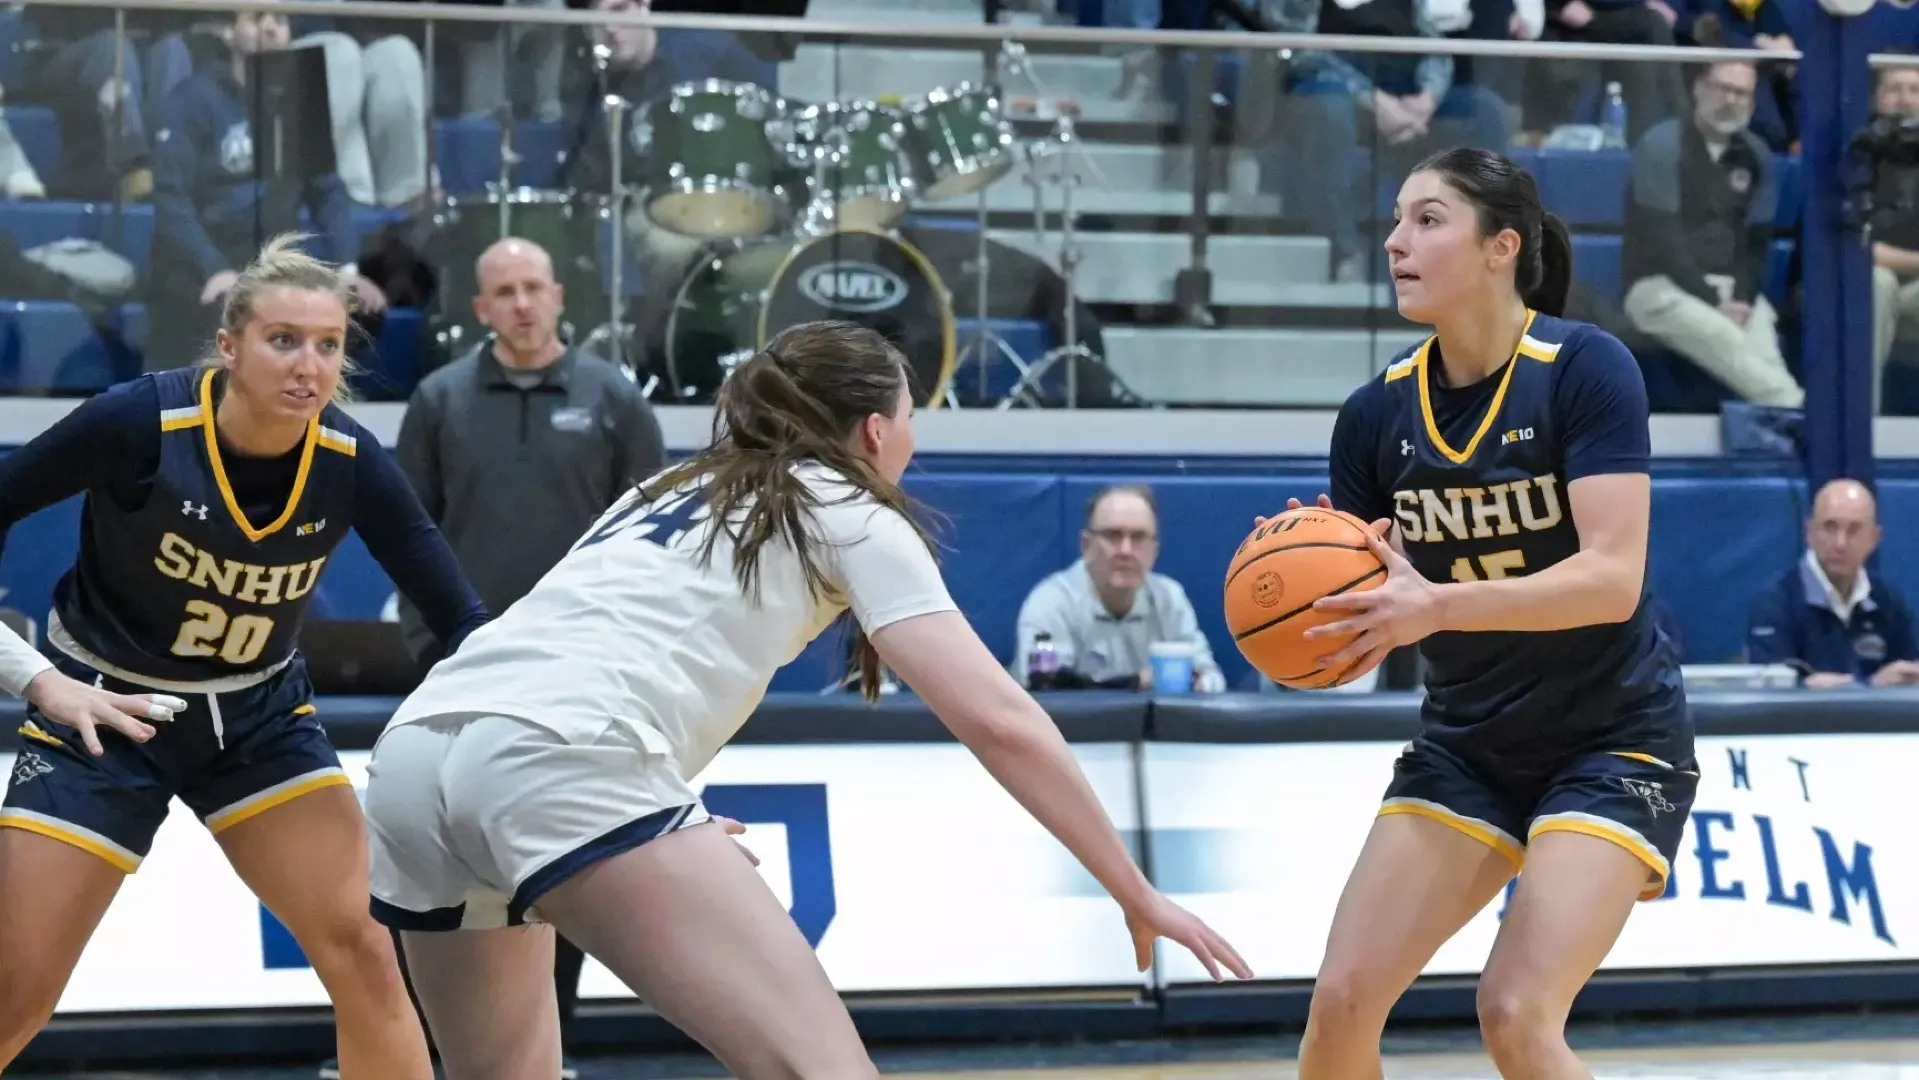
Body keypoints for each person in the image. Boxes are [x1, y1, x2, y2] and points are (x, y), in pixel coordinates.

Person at [361, 319, 1252, 1080]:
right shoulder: (851, 507)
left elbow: (597, 647)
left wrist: (661, 810)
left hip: (418, 752)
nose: (913, 441)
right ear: (872, 431)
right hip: (565, 760)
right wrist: (1134, 890)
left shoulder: (661, 488)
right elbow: (1000, 719)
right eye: (910, 419)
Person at [0, 236, 488, 1077]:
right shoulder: (137, 423)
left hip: (259, 722)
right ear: (228, 346)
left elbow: (463, 623)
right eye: (283, 340)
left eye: (329, 345)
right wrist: (37, 680)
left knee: (369, 953)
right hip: (106, 718)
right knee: (19, 989)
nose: (309, 366)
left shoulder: (350, 461)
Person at [1288, 148, 1695, 1080]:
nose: (1395, 241)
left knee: (1514, 1013)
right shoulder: (1371, 415)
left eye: (1427, 220)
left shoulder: (1584, 368)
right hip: (1467, 744)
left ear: (1500, 246)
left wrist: (1434, 605)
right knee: (1340, 1006)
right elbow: (1359, 612)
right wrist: (1298, 592)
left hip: (1610, 741)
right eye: (1394, 220)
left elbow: (1611, 579)